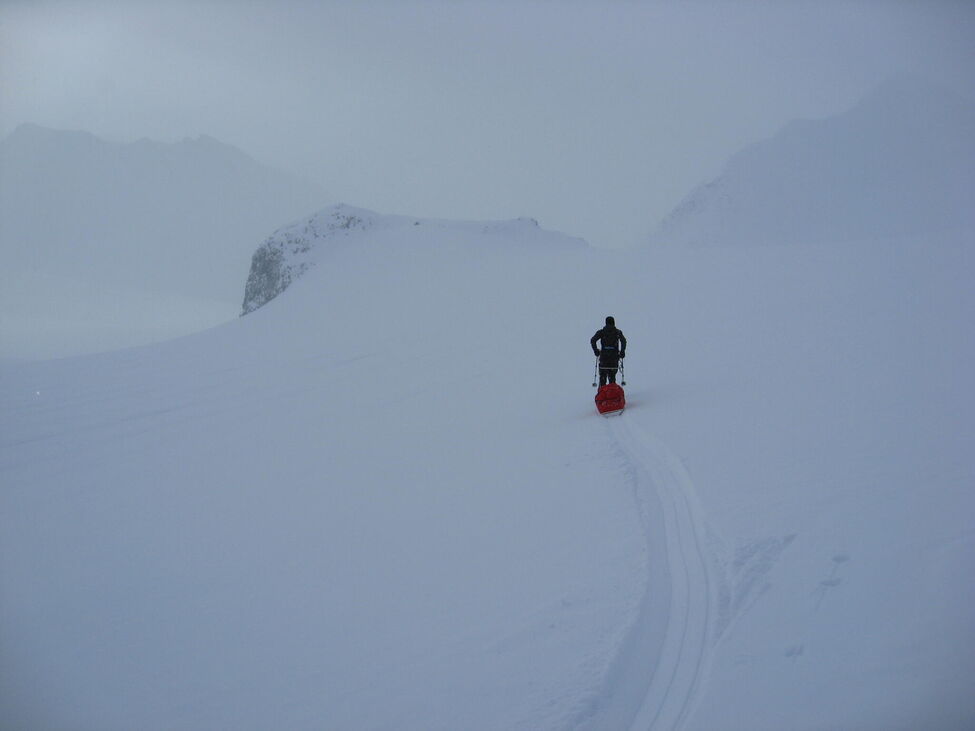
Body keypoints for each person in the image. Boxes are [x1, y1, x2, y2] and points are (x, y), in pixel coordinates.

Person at [591, 316, 626, 386]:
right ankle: (612, 393)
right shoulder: (618, 332)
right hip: (614, 358)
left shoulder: (601, 332)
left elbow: (593, 340)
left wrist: (596, 351)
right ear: (614, 323)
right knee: (612, 377)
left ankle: (602, 393)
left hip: (604, 358)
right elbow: (623, 341)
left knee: (602, 377)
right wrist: (622, 351)